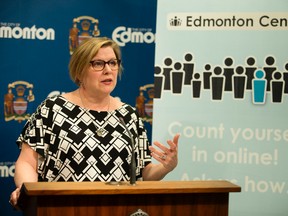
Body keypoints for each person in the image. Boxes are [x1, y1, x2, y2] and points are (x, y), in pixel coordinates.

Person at [9, 37, 180, 208]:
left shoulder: (129, 115)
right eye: (98, 63)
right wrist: (26, 190)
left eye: (113, 63)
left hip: (117, 209)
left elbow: (143, 173)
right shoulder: (52, 109)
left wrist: (166, 167)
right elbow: (27, 162)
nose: (108, 70)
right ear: (79, 71)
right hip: (62, 209)